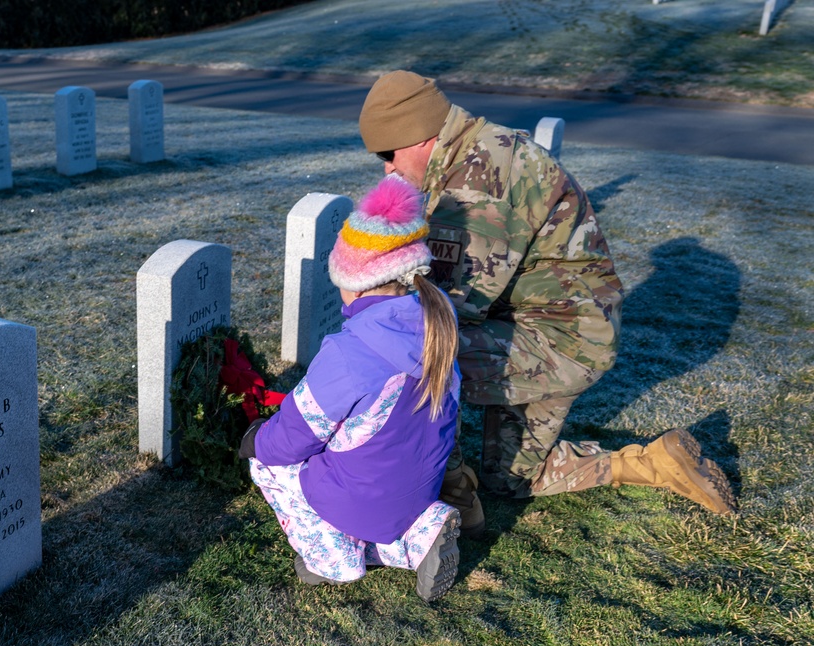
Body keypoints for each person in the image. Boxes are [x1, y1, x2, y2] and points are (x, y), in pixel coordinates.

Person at [356, 70, 737, 538]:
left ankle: (450, 491)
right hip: (552, 329)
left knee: (415, 354)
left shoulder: (477, 188)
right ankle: (653, 464)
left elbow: (444, 312)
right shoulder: (479, 150)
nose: (386, 171)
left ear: (417, 137)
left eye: (387, 155)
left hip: (556, 343)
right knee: (512, 480)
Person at [238, 175, 463, 602]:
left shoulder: (350, 352)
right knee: (372, 461)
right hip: (417, 491)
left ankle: (333, 560)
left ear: (353, 279)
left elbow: (291, 439)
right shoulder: (439, 321)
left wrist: (255, 439)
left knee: (268, 464)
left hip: (359, 498)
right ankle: (421, 534)